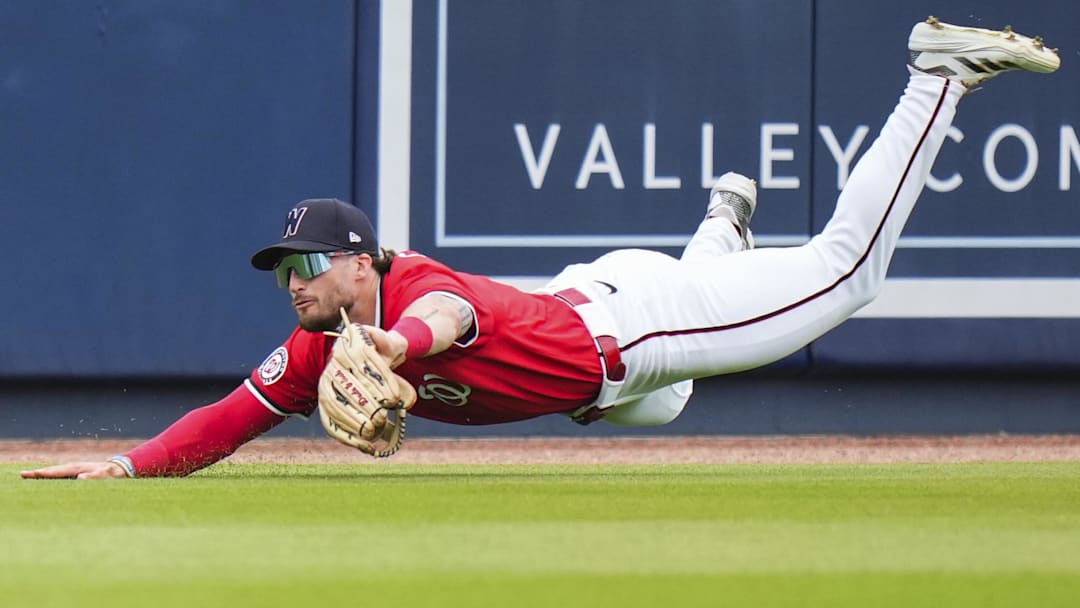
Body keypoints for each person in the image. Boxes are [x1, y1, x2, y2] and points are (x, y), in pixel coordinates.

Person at [22, 18, 1060, 479]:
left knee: (848, 276)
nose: (293, 284)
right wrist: (126, 461)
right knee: (663, 407)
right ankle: (721, 230)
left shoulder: (411, 294)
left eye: (307, 265)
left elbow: (449, 320)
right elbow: (225, 417)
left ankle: (937, 75)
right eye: (280, 271)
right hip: (598, 341)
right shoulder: (316, 347)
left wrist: (393, 349)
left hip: (638, 326)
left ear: (360, 259)